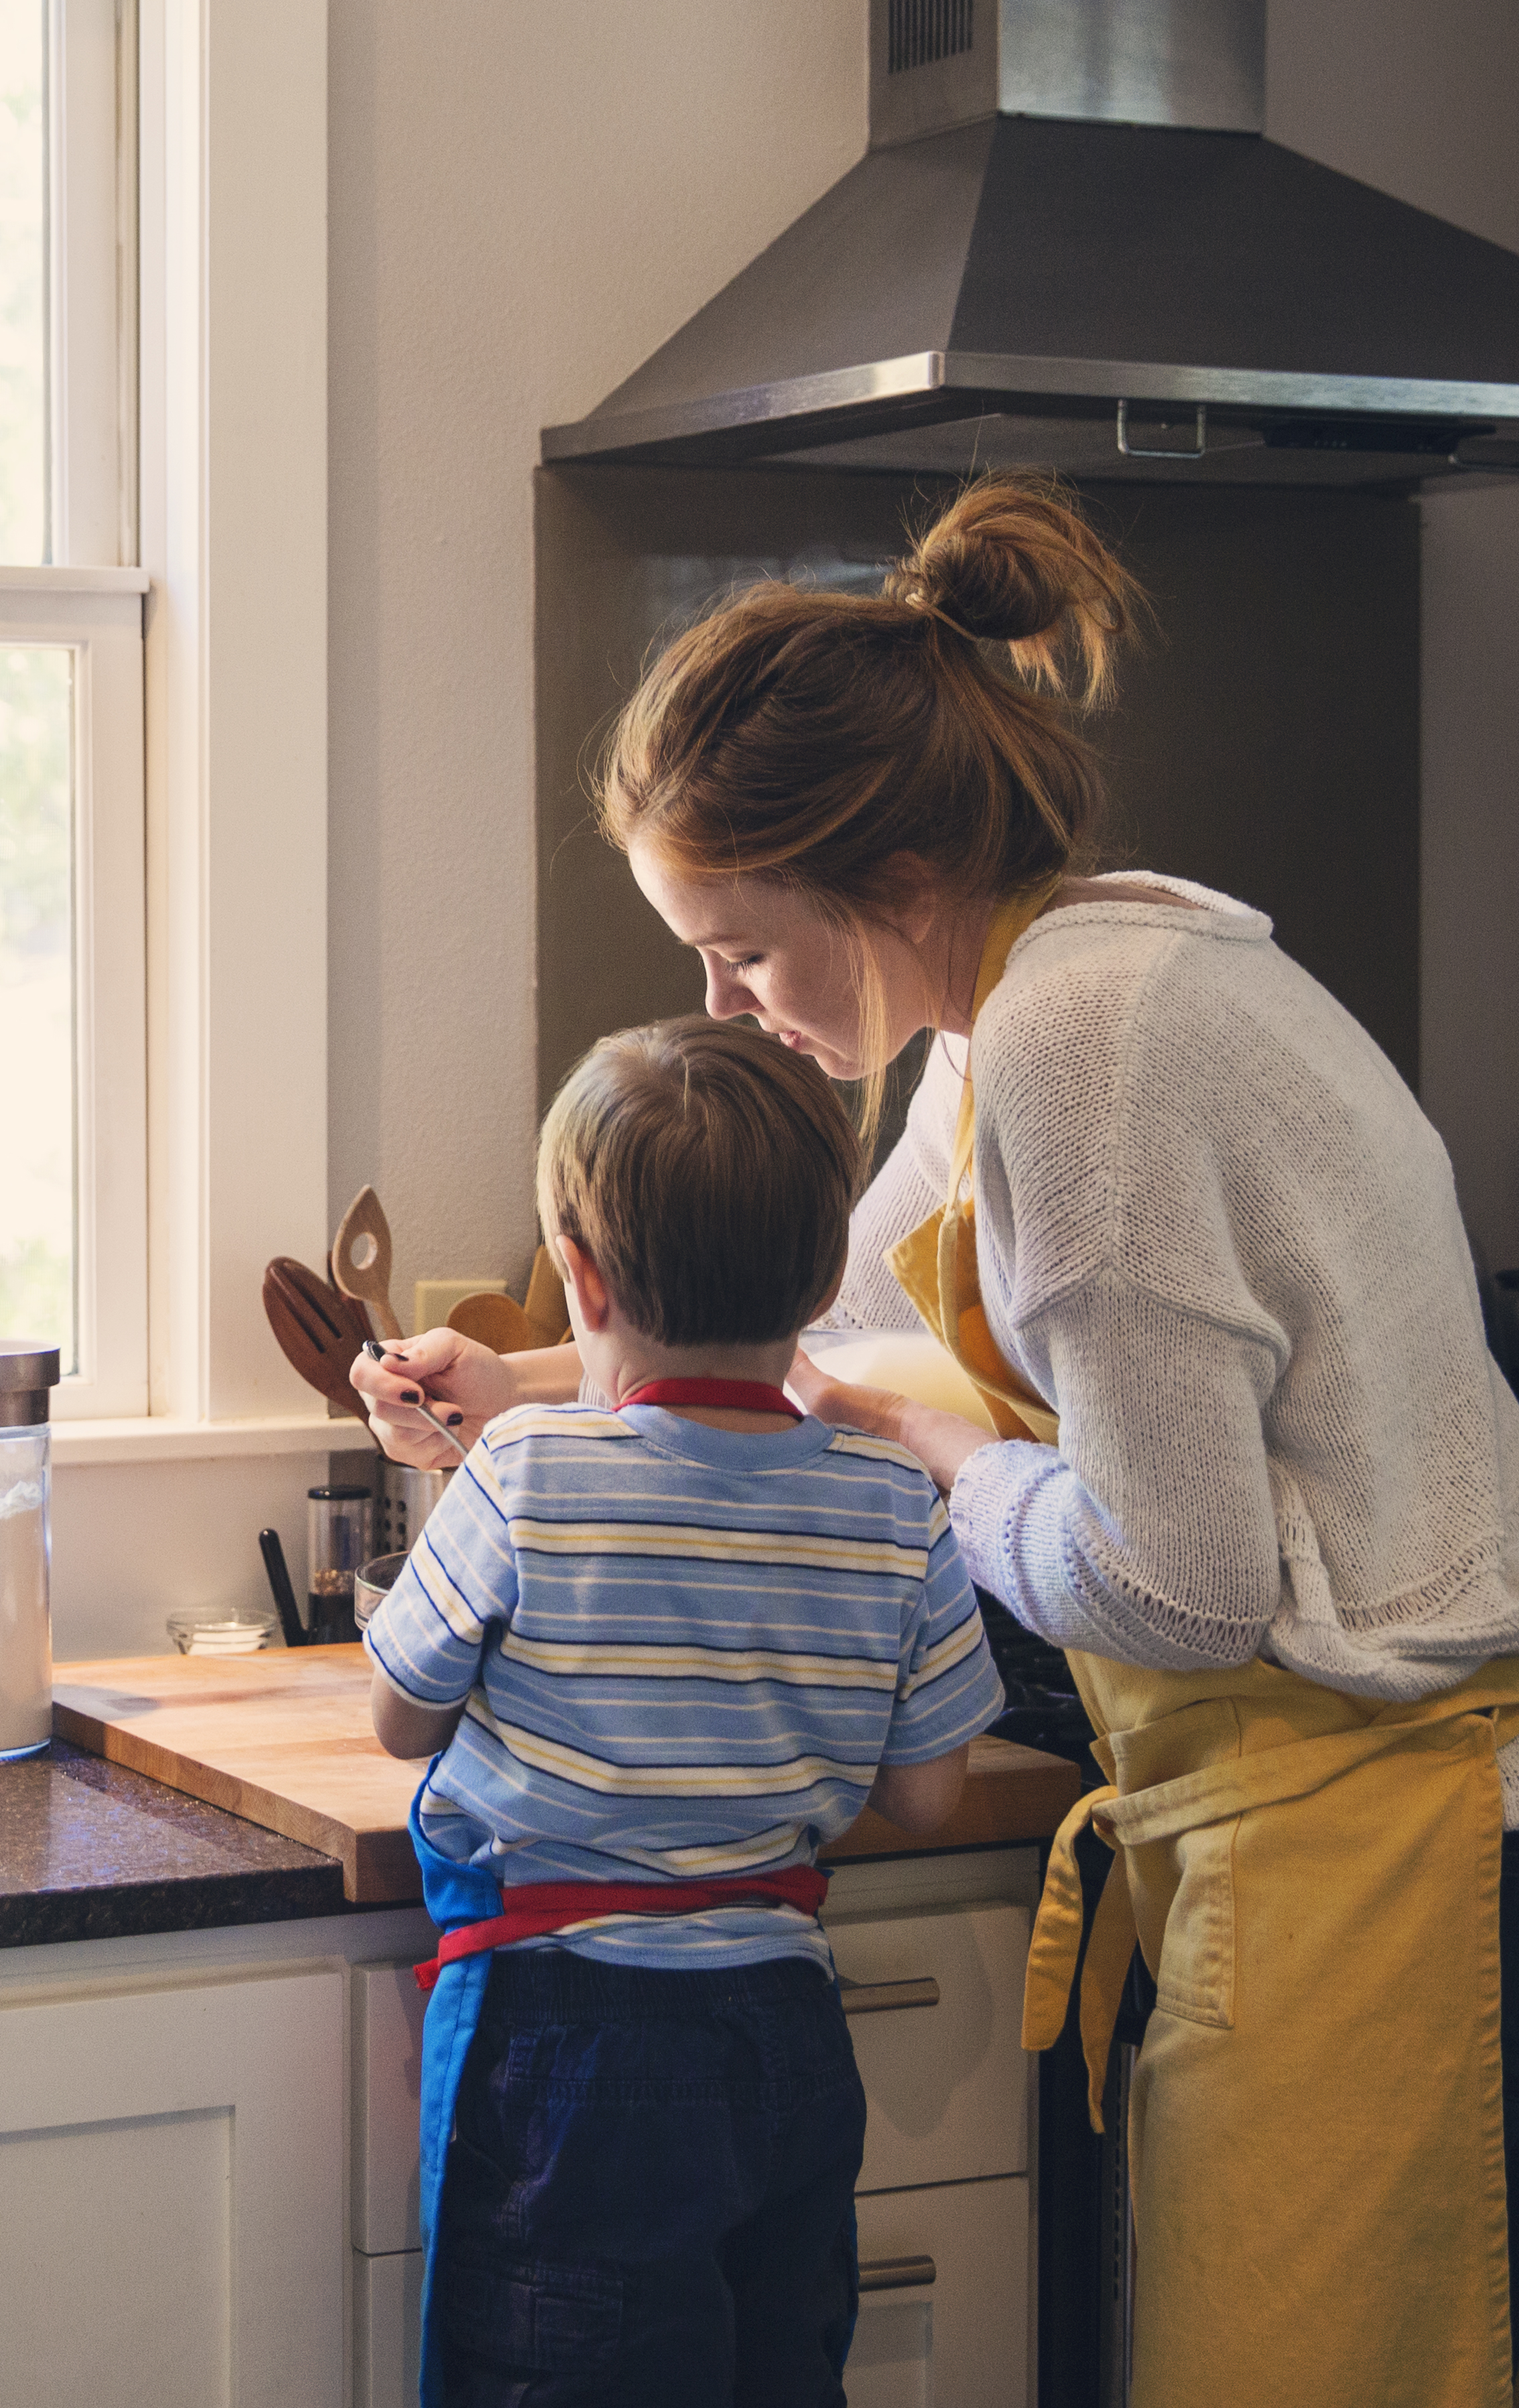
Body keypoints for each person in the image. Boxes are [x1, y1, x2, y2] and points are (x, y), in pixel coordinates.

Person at [357, 472, 1519, 2408]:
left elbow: (1177, 1582)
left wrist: (946, 1469)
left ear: (880, 882)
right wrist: (515, 1387)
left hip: (1396, 1834)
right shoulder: (1031, 1003)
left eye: (739, 949)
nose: (721, 1003)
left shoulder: (1086, 1050)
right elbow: (823, 1342)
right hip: (1332, 1820)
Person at [366, 1016, 1004, 2408]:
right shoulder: (899, 1506)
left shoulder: (525, 1468)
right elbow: (932, 1795)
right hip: (784, 2036)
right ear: (831, 1272)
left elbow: (399, 1719)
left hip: (566, 2049)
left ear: (578, 1284)